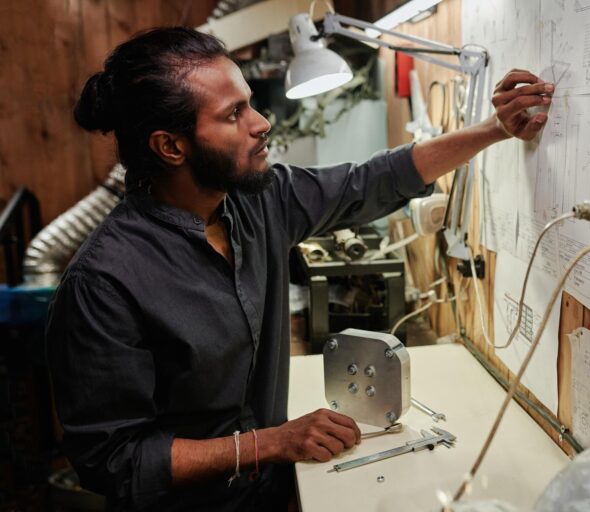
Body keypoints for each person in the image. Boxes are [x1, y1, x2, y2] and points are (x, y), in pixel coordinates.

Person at [46, 27, 553, 511]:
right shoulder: (104, 282)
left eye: (249, 102)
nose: (260, 122)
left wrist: (494, 129)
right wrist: (270, 443)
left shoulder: (259, 201)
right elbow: (114, 460)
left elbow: (371, 181)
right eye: (234, 114)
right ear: (171, 147)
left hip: (268, 494)